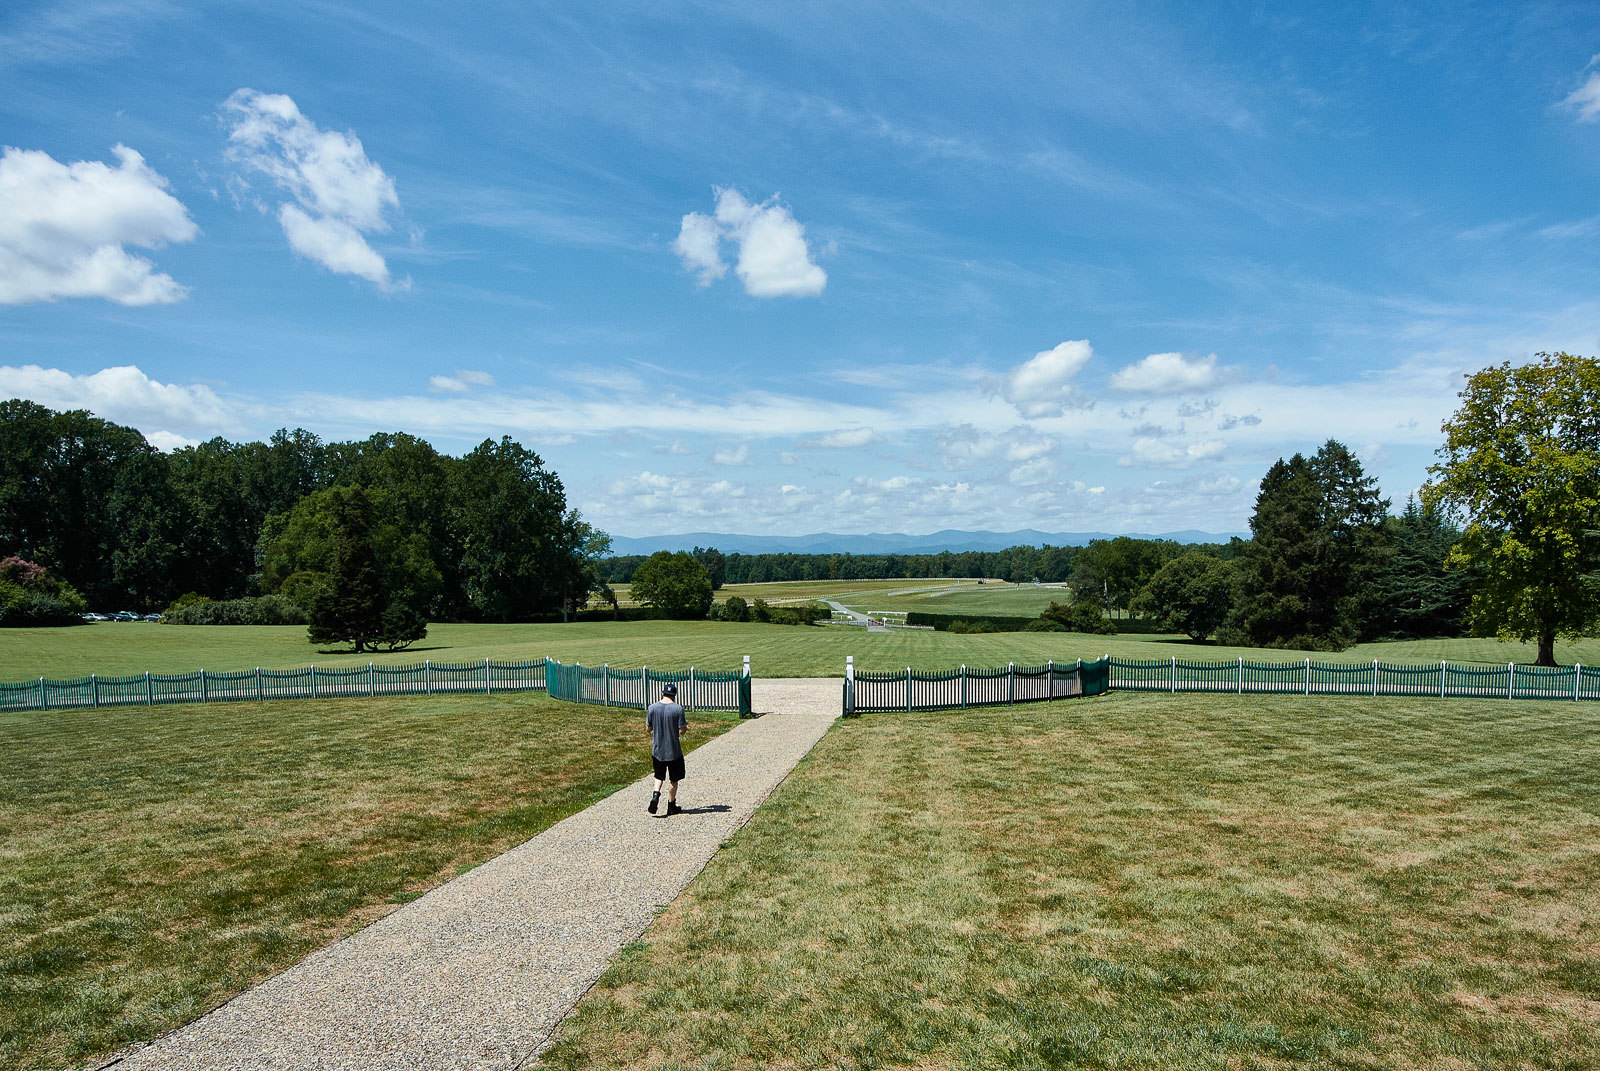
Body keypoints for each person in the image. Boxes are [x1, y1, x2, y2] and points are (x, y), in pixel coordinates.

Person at [646, 682, 687, 816]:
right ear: (674, 695)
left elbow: (648, 728)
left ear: (662, 693)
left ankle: (655, 795)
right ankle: (671, 805)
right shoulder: (678, 709)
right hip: (673, 750)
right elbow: (682, 731)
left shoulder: (652, 708)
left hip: (658, 749)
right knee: (674, 779)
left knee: (659, 776)